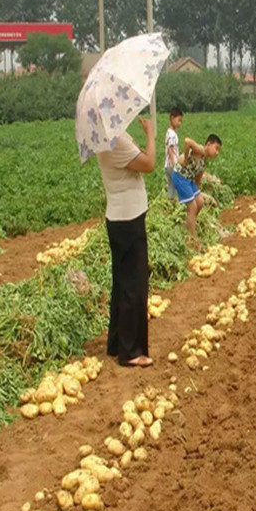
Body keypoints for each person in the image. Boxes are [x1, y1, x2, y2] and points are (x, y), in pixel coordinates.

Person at [96, 116, 156, 367]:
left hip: (118, 217)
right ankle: (131, 351)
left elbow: (137, 159)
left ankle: (117, 342)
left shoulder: (105, 136)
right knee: (135, 283)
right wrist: (151, 134)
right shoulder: (116, 140)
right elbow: (150, 163)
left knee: (122, 282)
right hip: (128, 218)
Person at [172, 133, 222, 246]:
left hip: (188, 180)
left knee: (199, 202)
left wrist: (197, 193)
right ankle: (192, 239)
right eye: (216, 148)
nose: (217, 152)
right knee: (192, 207)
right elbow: (187, 141)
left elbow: (198, 180)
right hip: (180, 176)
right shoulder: (200, 150)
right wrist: (185, 158)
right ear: (208, 144)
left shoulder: (204, 162)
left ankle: (188, 226)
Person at [164, 108, 183, 201]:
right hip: (172, 165)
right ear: (172, 118)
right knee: (178, 185)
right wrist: (175, 165)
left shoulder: (169, 132)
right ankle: (176, 204)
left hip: (168, 165)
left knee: (171, 186)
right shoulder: (172, 134)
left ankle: (170, 204)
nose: (180, 123)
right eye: (178, 120)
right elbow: (170, 150)